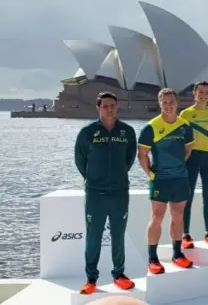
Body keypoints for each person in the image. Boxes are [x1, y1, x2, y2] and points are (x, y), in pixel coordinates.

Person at [74, 92, 137, 295]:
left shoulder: (127, 132)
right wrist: (94, 179)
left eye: (112, 105)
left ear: (117, 107)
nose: (109, 109)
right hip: (95, 194)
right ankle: (91, 278)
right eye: (105, 106)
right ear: (98, 108)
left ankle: (119, 274)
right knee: (94, 237)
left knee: (118, 235)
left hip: (119, 193)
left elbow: (129, 159)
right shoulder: (87, 132)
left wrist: (116, 177)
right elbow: (80, 160)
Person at [138, 88, 195, 274]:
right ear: (159, 103)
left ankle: (177, 254)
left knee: (178, 215)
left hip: (180, 178)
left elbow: (188, 150)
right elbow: (142, 155)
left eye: (171, 102)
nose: (168, 106)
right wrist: (151, 175)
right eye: (164, 103)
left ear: (177, 103)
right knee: (157, 216)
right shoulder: (151, 127)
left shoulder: (185, 126)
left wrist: (177, 167)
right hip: (160, 179)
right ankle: (152, 258)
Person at [178, 81, 208, 249]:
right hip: (191, 157)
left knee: (207, 195)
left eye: (207, 92)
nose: (204, 95)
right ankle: (185, 234)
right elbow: (181, 137)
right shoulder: (186, 114)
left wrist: (206, 149)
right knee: (187, 196)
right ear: (194, 93)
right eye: (201, 92)